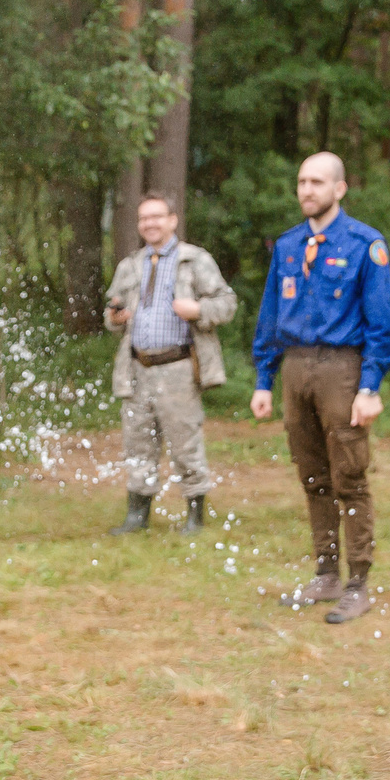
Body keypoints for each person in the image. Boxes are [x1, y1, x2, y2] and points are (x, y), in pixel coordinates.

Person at [248, 152, 390, 626]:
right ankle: (326, 571)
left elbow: (381, 323)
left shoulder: (364, 245)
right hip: (295, 367)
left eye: (317, 182)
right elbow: (270, 315)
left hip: (341, 368)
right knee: (312, 475)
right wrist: (263, 379)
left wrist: (369, 386)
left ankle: (357, 583)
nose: (307, 190)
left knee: (348, 475)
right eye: (301, 182)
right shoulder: (289, 246)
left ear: (340, 188)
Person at [103, 192, 238, 536]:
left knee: (184, 442)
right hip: (136, 368)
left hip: (178, 365)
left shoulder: (194, 260)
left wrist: (198, 310)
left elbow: (227, 304)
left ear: (172, 220)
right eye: (144, 218)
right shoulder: (130, 265)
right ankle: (137, 515)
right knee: (138, 443)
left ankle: (195, 515)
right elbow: (110, 316)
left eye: (157, 217)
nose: (150, 223)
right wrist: (116, 317)